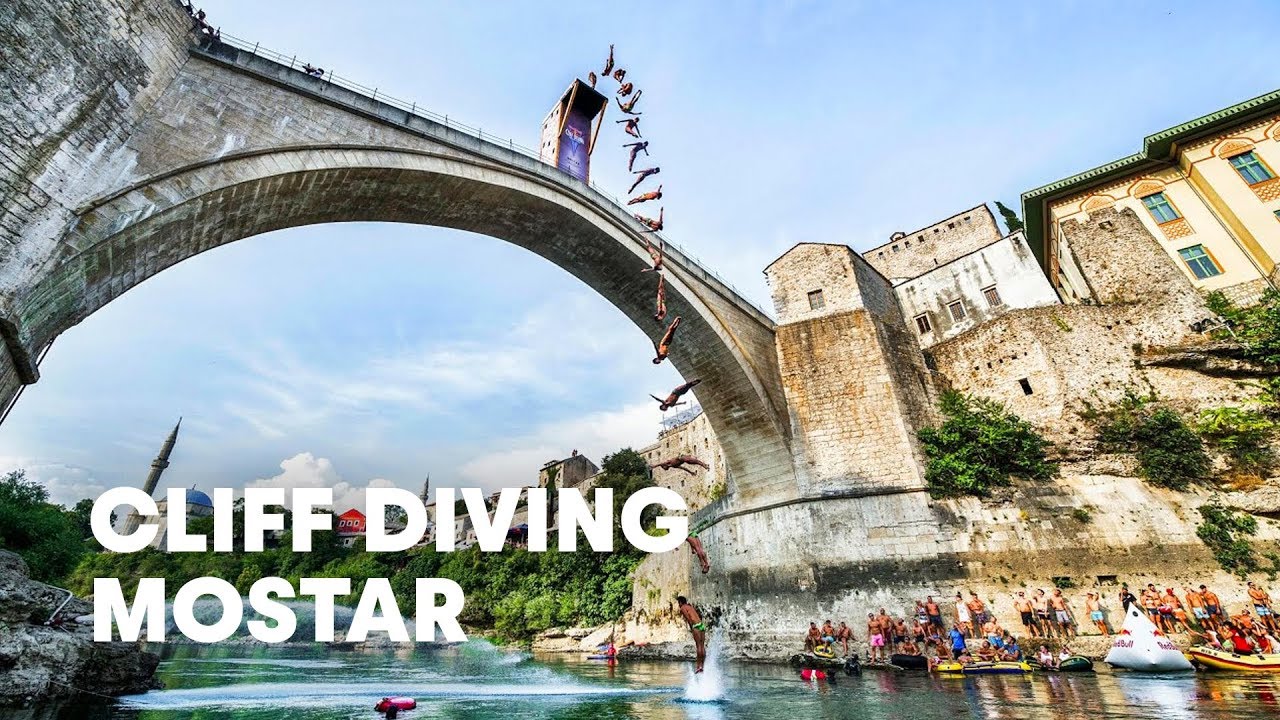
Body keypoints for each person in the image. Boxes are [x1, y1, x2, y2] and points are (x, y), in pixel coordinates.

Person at [677, 596, 707, 673]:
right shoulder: (689, 606)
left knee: (698, 646)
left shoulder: (683, 608)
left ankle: (698, 666)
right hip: (701, 624)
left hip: (695, 626)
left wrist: (692, 628)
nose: (678, 605)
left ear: (680, 602)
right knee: (702, 646)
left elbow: (688, 619)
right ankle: (702, 666)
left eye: (678, 603)